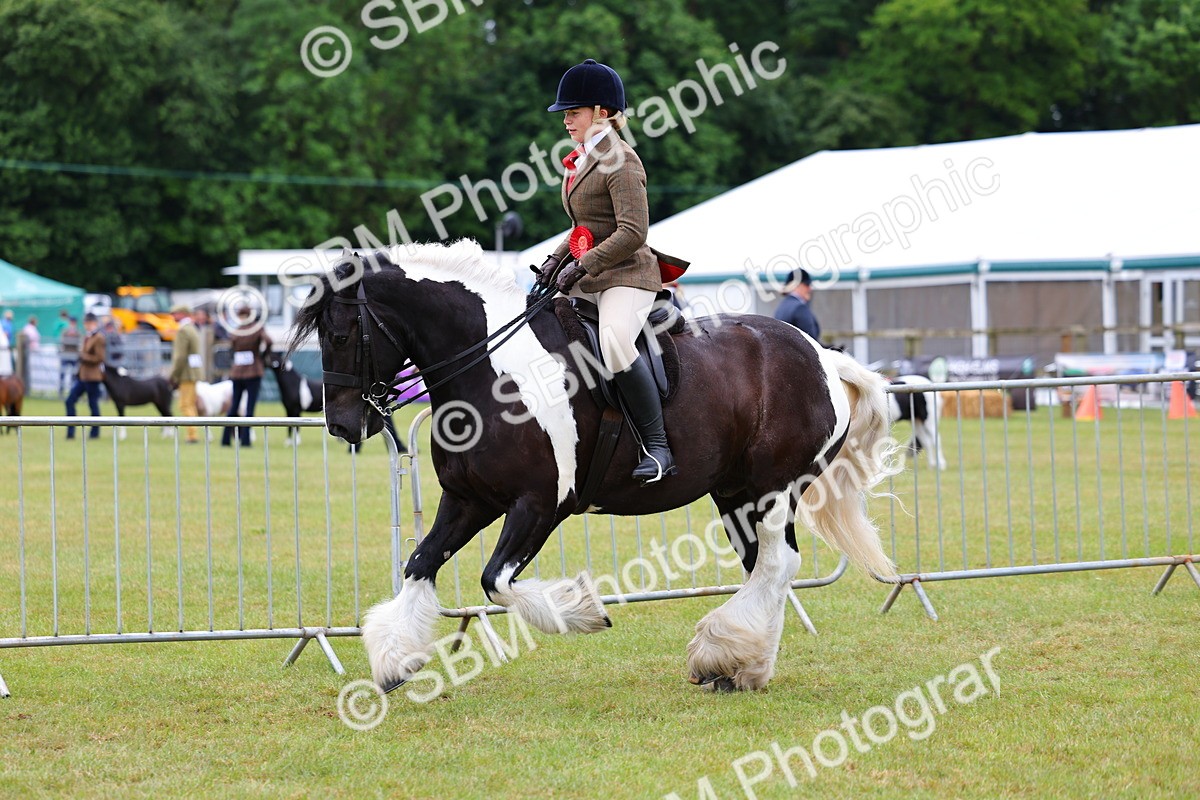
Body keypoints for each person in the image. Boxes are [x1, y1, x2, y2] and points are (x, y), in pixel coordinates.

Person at [532, 58, 677, 484]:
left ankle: (658, 446)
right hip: (590, 274)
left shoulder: (622, 160)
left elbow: (633, 232)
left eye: (573, 112)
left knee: (614, 342)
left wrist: (582, 265)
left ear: (602, 112)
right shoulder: (581, 160)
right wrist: (554, 261)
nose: (566, 121)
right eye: (565, 114)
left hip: (628, 275)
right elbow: (584, 228)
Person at [221, 307, 272, 447]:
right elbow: (268, 341)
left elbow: (230, 347)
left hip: (237, 372)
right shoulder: (256, 328)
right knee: (249, 408)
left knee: (233, 406)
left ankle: (225, 439)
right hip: (253, 371)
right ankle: (245, 440)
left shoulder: (236, 330)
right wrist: (262, 356)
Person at [65, 313, 106, 439]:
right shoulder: (87, 336)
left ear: (93, 323)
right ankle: (70, 432)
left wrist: (84, 356)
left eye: (87, 323)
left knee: (93, 404)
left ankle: (95, 433)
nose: (85, 325)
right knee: (70, 401)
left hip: (93, 377)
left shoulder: (99, 338)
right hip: (83, 376)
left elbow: (100, 358)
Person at [170, 304, 203, 444]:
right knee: (190, 404)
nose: (173, 317)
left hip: (186, 374)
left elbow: (180, 357)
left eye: (175, 314)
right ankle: (193, 433)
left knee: (185, 405)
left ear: (183, 314)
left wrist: (174, 375)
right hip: (193, 372)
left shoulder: (183, 331)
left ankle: (192, 435)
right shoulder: (192, 329)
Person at [774, 268, 821, 342]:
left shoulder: (781, 307)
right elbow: (812, 342)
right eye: (807, 284)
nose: (810, 289)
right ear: (796, 285)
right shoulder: (800, 308)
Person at [58, 316, 81, 397]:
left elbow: (79, 343)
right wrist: (68, 336)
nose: (72, 324)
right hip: (65, 355)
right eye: (71, 322)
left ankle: (72, 392)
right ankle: (61, 391)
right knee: (62, 374)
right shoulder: (65, 331)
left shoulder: (78, 332)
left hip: (74, 356)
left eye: (73, 322)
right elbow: (62, 342)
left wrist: (74, 336)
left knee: (74, 375)